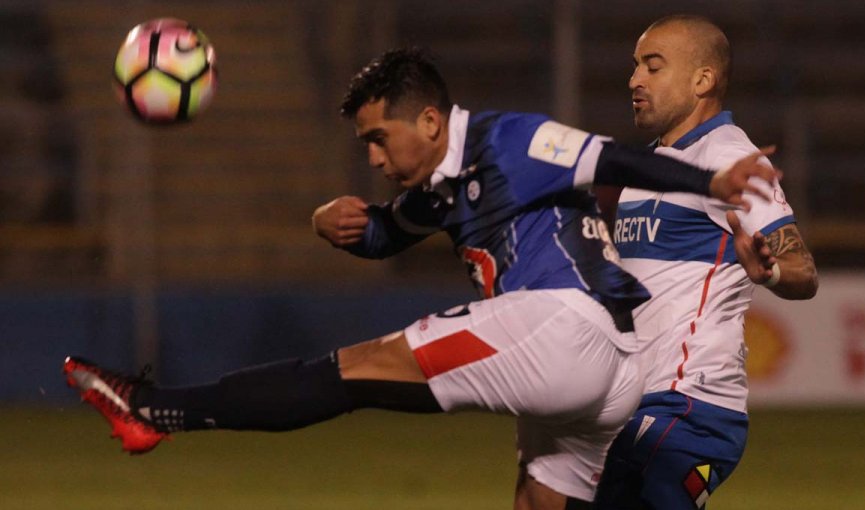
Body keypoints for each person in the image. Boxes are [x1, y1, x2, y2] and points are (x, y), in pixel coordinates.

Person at [64, 48, 779, 510]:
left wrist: (709, 176)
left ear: (431, 120)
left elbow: (615, 161)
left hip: (571, 325)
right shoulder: (438, 190)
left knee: (367, 365)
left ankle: (157, 410)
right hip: (602, 373)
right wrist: (328, 220)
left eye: (379, 137)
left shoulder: (513, 140)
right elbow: (380, 234)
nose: (374, 157)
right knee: (538, 500)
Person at [592, 15, 818, 510]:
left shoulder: (732, 160)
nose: (635, 80)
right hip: (633, 404)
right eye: (635, 67)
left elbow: (802, 270)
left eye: (653, 67)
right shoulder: (644, 170)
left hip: (688, 409)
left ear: (702, 80)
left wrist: (771, 269)